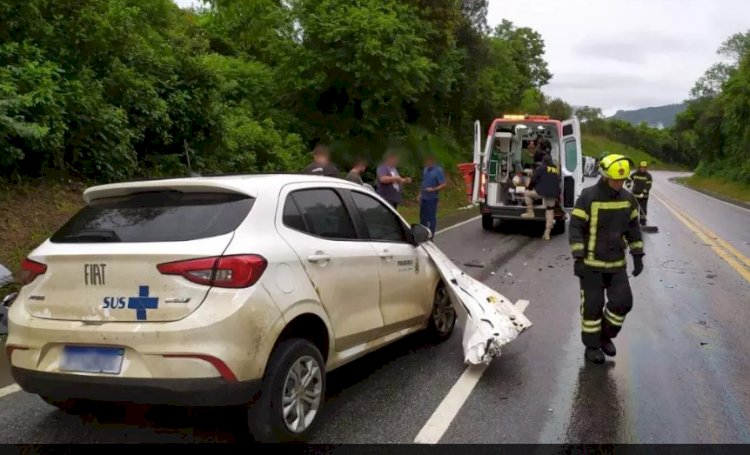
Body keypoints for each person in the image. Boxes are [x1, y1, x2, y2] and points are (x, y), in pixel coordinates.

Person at [569, 154, 645, 365]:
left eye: (622, 180)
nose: (618, 184)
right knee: (592, 308)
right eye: (615, 180)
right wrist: (578, 257)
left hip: (616, 265)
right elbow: (575, 227)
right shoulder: (588, 197)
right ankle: (592, 346)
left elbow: (633, 229)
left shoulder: (628, 199)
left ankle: (605, 336)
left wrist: (637, 255)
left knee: (623, 303)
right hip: (591, 266)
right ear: (604, 176)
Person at [521, 153, 561, 240]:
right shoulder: (555, 169)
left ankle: (530, 212)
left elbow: (534, 179)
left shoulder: (541, 168)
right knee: (550, 210)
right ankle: (547, 234)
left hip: (541, 191)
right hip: (553, 193)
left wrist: (529, 188)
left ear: (543, 161)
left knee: (527, 193)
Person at [419, 155, 447, 233]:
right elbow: (423, 182)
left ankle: (431, 235)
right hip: (424, 197)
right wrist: (420, 194)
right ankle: (423, 233)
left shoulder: (438, 170)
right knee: (422, 217)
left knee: (431, 218)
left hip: (432, 198)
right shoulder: (425, 170)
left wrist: (433, 189)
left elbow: (443, 184)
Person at [628, 161, 653, 226]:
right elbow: (629, 179)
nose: (643, 169)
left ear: (646, 168)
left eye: (644, 168)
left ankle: (643, 223)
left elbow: (648, 186)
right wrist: (628, 185)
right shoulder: (635, 174)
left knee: (643, 210)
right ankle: (634, 222)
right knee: (634, 209)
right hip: (635, 195)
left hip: (644, 196)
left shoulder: (648, 176)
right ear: (639, 167)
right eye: (642, 167)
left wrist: (643, 192)